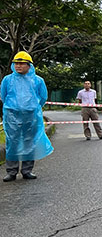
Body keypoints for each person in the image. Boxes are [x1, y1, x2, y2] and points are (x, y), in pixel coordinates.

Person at [1, 51, 54, 181]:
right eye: (16, 63)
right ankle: (11, 171)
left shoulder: (38, 81)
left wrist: (32, 108)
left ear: (29, 65)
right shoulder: (7, 80)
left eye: (21, 63)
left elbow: (43, 97)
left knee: (29, 142)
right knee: (12, 142)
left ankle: (27, 170)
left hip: (31, 117)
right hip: (12, 116)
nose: (18, 66)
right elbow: (3, 96)